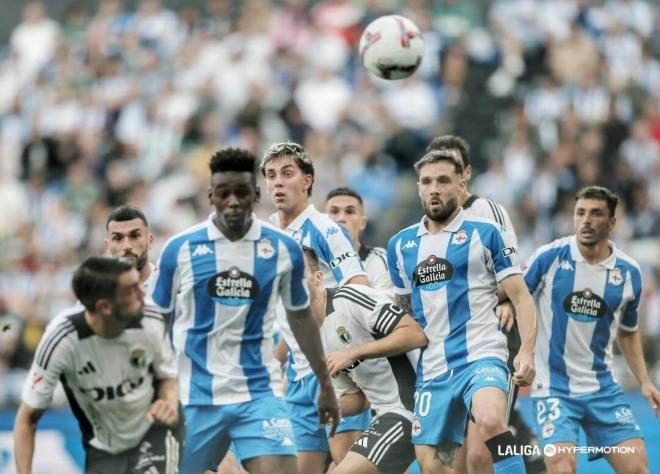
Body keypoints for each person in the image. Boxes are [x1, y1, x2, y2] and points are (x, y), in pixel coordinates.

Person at [151, 147, 339, 474]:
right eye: (224, 193)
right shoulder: (179, 250)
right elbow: (156, 324)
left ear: (255, 193)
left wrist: (324, 384)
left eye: (241, 192)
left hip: (259, 395)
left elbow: (301, 319)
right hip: (195, 398)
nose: (233, 201)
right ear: (211, 196)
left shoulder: (283, 249)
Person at [387, 150, 537, 474]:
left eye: (443, 180)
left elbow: (521, 297)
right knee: (432, 466)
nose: (434, 188)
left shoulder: (486, 233)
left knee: (492, 420)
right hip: (434, 366)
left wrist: (526, 351)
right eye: (426, 182)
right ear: (418, 188)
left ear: (461, 183)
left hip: (481, 353)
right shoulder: (400, 245)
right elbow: (404, 312)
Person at [520, 186, 660, 474]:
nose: (586, 220)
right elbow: (516, 293)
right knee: (562, 466)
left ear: (612, 223)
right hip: (554, 387)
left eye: (596, 213)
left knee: (638, 468)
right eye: (580, 213)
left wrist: (645, 381)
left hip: (603, 389)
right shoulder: (549, 258)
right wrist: (508, 307)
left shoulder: (628, 272)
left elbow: (628, 330)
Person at [426, 135, 542, 473]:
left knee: (483, 450)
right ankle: (531, 451)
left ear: (466, 174)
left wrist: (503, 301)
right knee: (458, 457)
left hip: (491, 336)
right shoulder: (424, 231)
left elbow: (510, 273)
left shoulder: (486, 212)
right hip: (448, 347)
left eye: (451, 170)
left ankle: (531, 456)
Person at [14, 256, 181, 474]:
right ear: (104, 306)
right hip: (103, 446)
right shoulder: (61, 340)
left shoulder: (149, 317)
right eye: (132, 290)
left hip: (154, 432)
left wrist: (168, 401)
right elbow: (27, 418)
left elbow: (168, 375)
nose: (143, 294)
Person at [261, 142, 371, 471]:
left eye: (287, 173)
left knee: (345, 462)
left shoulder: (324, 229)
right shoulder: (266, 233)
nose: (277, 182)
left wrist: (351, 352)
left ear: (307, 181)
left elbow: (359, 287)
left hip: (334, 368)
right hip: (296, 373)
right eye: (270, 175)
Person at [302, 245, 428, 474]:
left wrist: (355, 352)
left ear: (318, 277)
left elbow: (415, 334)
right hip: (383, 414)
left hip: (412, 407)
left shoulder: (349, 298)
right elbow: (358, 397)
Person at [325, 187, 392, 294]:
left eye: (350, 211)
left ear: (363, 223)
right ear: (322, 221)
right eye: (334, 211)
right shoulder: (311, 262)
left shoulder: (378, 260)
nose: (341, 218)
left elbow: (383, 305)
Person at [104, 205, 156, 292]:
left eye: (135, 236)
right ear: (107, 246)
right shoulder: (97, 291)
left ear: (149, 241)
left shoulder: (169, 286)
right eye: (117, 238)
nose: (127, 246)